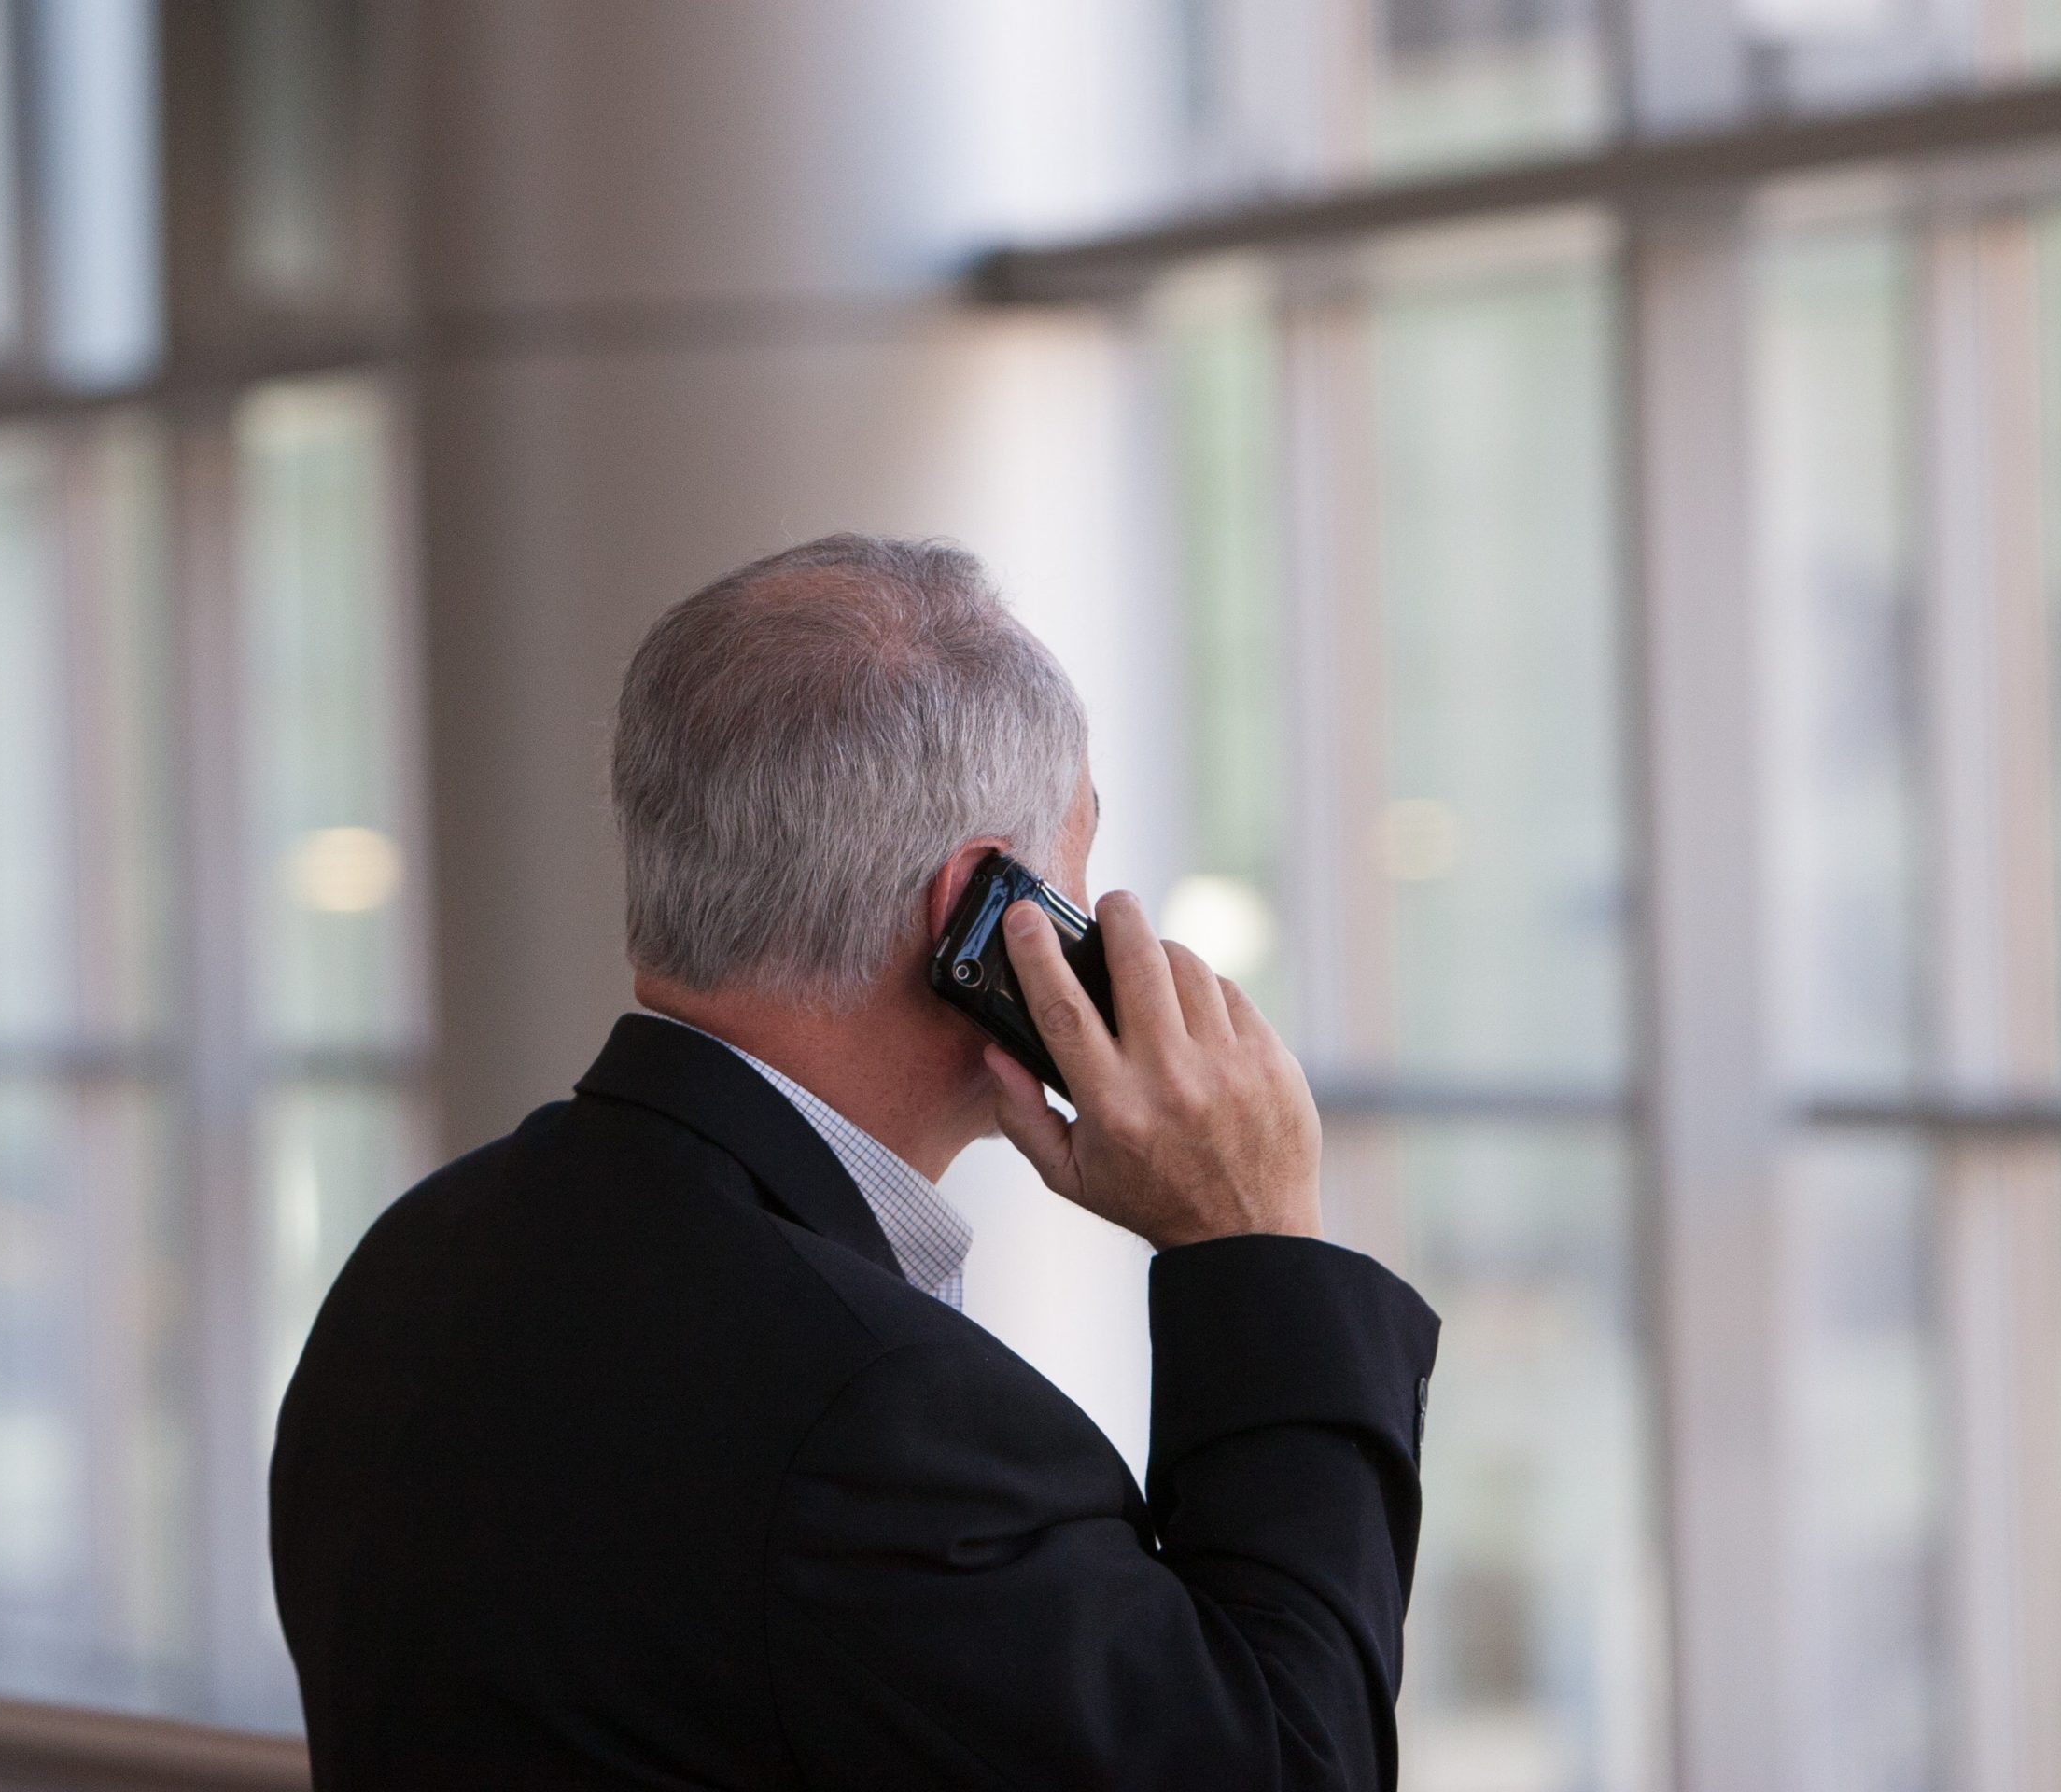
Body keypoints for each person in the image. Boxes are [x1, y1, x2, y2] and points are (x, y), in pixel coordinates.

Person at [269, 534, 1440, 1789]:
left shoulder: (417, 1256)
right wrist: (1252, 1249)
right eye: (1079, 861)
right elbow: (1289, 1761)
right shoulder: (880, 1420)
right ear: (981, 921)